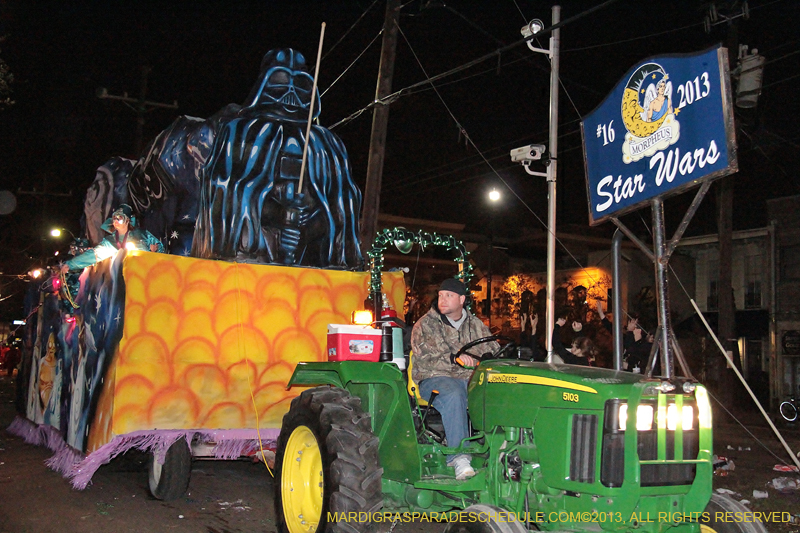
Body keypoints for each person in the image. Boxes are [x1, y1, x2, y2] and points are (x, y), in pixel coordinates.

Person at [411, 278, 498, 480]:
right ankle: (459, 457)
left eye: (448, 295)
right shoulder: (426, 324)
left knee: (500, 390)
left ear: (461, 299)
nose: (442, 299)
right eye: (441, 295)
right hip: (434, 378)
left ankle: (499, 451)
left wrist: (487, 359)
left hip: (470, 380)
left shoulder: (476, 325)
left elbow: (492, 349)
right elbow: (425, 357)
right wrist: (455, 359)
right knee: (454, 393)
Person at [61, 204, 164, 273]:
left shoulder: (142, 235)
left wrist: (152, 254)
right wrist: (70, 265)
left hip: (143, 277)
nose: (116, 221)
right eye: (114, 218)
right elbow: (93, 255)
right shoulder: (109, 242)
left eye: (119, 218)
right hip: (120, 282)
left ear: (127, 220)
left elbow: (161, 251)